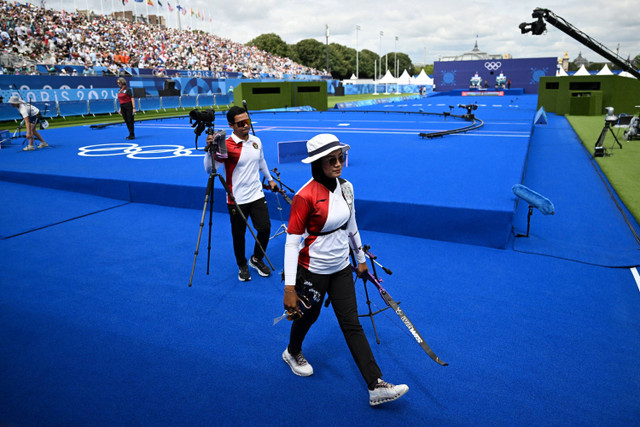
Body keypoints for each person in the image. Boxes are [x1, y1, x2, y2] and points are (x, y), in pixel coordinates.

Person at [281, 133, 409, 406]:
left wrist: (360, 259)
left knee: (351, 323)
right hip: (313, 269)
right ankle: (292, 352)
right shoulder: (304, 196)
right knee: (308, 317)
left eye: (341, 158)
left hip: (341, 268)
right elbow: (292, 244)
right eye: (332, 160)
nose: (338, 163)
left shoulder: (347, 187)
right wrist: (290, 288)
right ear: (317, 163)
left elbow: (352, 227)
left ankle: (376, 385)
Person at [203, 106, 277, 282]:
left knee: (265, 228)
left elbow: (261, 161)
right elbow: (209, 169)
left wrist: (270, 179)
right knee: (239, 235)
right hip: (236, 198)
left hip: (257, 194)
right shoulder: (225, 144)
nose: (246, 125)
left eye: (248, 121)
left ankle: (256, 259)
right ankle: (242, 264)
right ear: (231, 125)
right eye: (241, 123)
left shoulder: (256, 140)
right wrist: (209, 151)